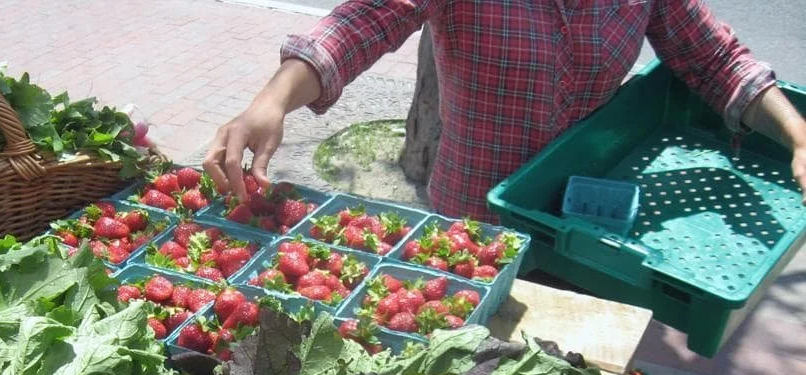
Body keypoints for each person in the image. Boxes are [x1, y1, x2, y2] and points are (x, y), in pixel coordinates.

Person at [203, 0, 806, 221]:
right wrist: (274, 98)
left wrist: (797, 134)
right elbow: (365, 21)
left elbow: (716, 60)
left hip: (584, 222)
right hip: (472, 225)